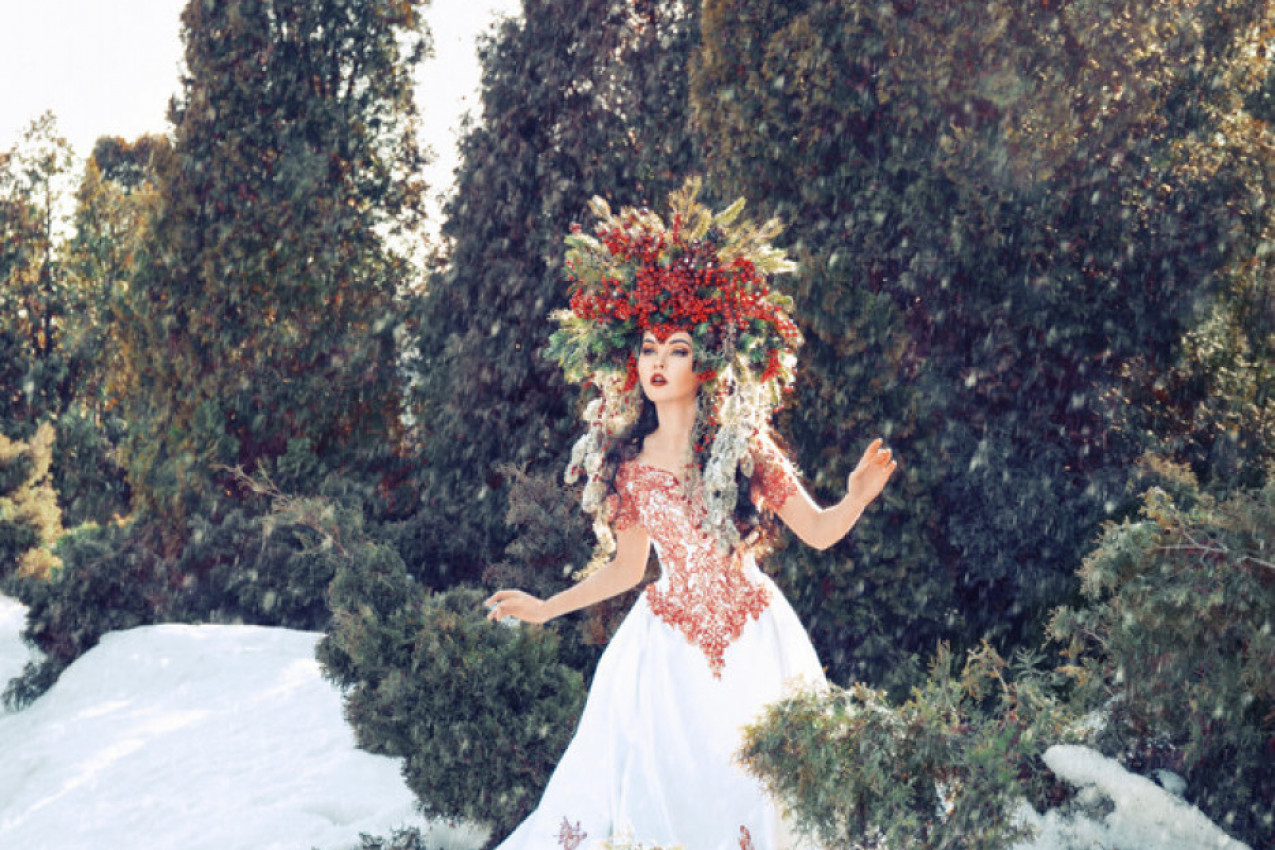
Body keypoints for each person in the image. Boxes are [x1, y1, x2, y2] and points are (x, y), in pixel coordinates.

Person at [484, 180, 896, 850]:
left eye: (676, 347)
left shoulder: (744, 450)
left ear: (704, 361)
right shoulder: (625, 461)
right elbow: (625, 571)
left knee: (767, 790)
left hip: (757, 638)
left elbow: (818, 533)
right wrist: (543, 608)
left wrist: (854, 497)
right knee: (667, 790)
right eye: (648, 347)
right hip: (667, 646)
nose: (658, 362)